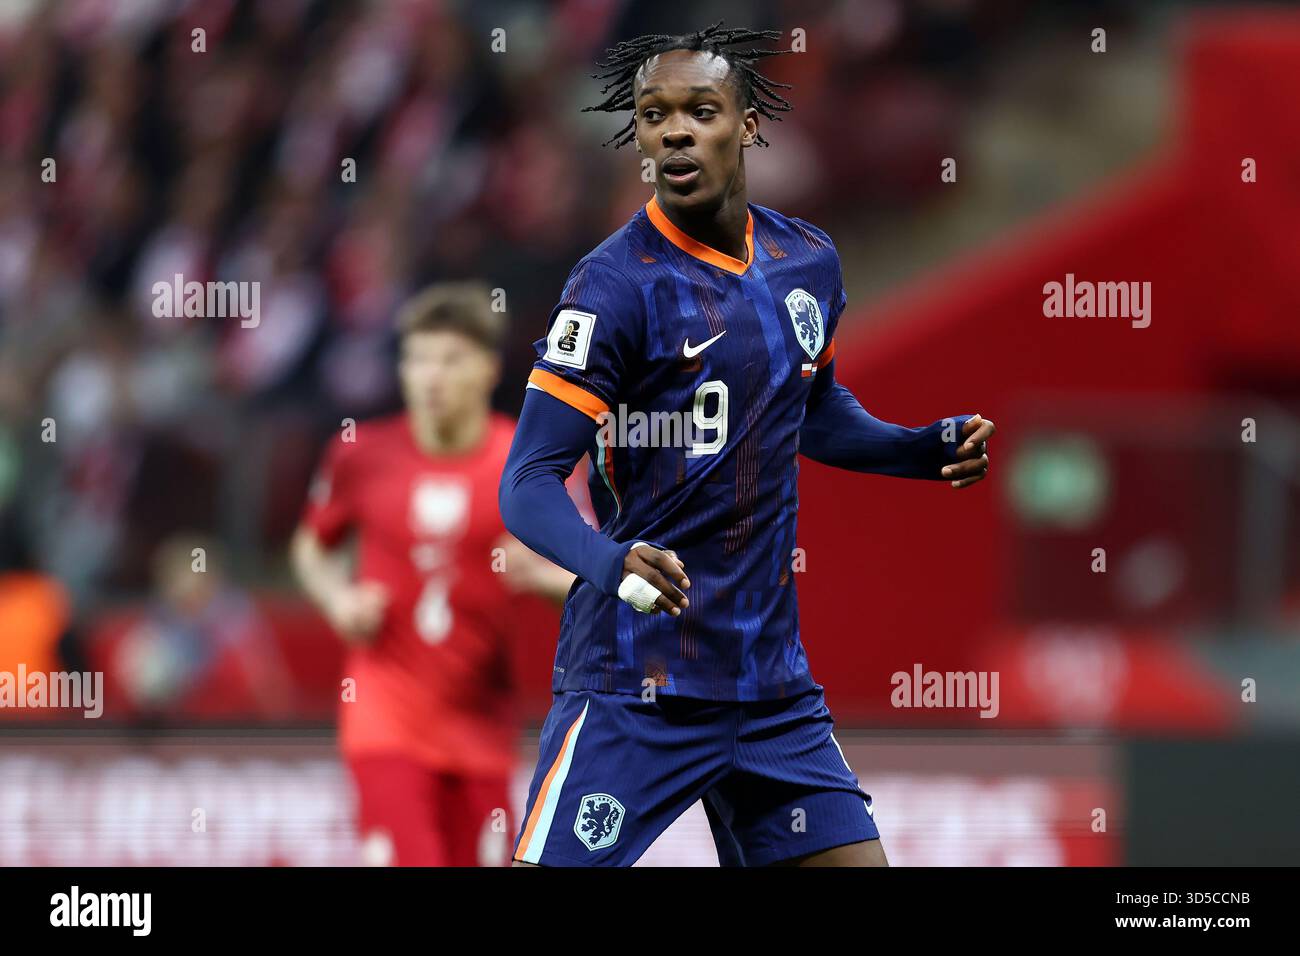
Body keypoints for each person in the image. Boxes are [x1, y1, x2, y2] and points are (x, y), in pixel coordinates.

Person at [498, 23, 995, 867]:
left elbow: (816, 408)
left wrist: (916, 449)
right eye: (655, 115)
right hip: (637, 688)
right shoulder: (613, 286)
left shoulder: (808, 260)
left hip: (770, 692)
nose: (676, 132)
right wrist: (610, 564)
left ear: (750, 123)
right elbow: (530, 479)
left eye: (701, 110)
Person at [292, 282, 573, 866]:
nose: (431, 377)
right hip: (385, 716)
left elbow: (591, 582)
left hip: (483, 725)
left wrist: (544, 578)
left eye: (450, 359)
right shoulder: (360, 455)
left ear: (489, 368)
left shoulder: (525, 468)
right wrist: (338, 600)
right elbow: (311, 547)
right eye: (418, 359)